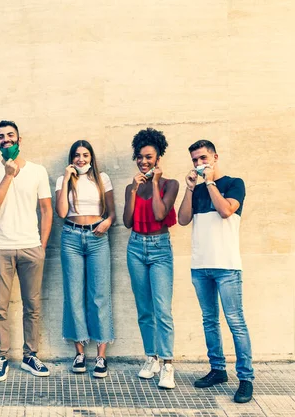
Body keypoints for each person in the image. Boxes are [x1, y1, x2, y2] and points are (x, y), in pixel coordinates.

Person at [177, 140, 254, 403]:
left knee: (236, 322)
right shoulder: (196, 190)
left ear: (215, 157)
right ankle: (217, 370)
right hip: (201, 266)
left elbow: (225, 211)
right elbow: (183, 219)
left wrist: (209, 183)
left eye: (203, 158)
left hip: (227, 266)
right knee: (209, 320)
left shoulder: (235, 183)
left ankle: (246, 378)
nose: (199, 164)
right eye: (195, 160)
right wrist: (190, 188)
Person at [0, 120, 53, 382]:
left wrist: (41, 247)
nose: (6, 139)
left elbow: (46, 210)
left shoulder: (37, 171)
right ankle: (1, 358)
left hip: (31, 247)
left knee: (32, 306)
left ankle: (30, 355)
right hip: (1, 247)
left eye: (11, 135)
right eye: (1, 137)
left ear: (19, 140)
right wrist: (8, 174)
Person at [123, 128, 179, 389]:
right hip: (135, 247)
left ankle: (168, 364)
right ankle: (151, 358)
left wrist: (154, 183)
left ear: (158, 158)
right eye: (139, 157)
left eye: (149, 157)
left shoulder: (170, 184)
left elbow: (159, 214)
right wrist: (134, 191)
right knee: (144, 309)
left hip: (160, 249)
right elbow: (126, 221)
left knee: (162, 309)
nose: (143, 162)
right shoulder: (131, 187)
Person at [55, 140, 116, 378]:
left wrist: (107, 222)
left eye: (85, 155)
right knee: (74, 295)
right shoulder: (63, 180)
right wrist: (66, 178)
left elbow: (111, 212)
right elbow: (61, 212)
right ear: (72, 158)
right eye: (77, 155)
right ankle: (79, 352)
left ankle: (101, 355)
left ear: (91, 157)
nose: (81, 159)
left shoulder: (102, 178)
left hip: (97, 237)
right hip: (70, 236)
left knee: (99, 295)